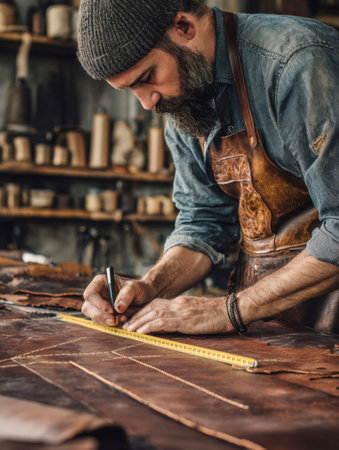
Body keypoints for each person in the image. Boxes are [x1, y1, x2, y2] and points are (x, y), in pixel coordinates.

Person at [77, 0, 339, 335]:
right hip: (275, 329)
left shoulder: (297, 63)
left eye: (147, 77)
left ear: (184, 27)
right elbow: (205, 222)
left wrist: (231, 309)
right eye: (132, 90)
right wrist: (151, 287)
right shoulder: (185, 100)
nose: (147, 103)